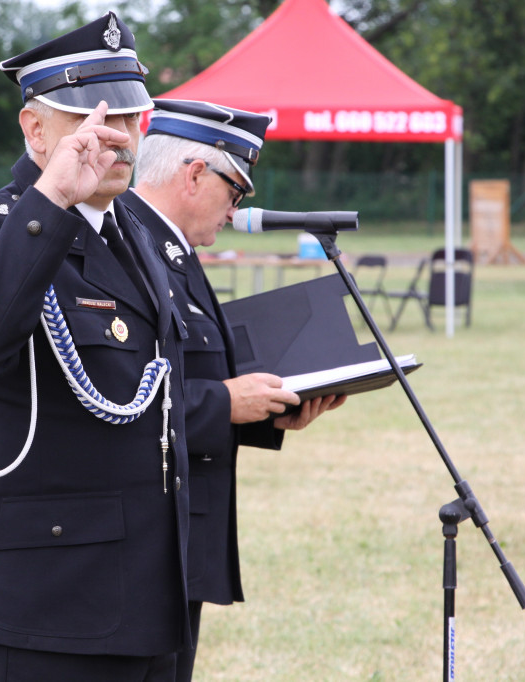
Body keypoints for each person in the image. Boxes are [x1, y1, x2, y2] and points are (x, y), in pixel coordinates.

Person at [0, 14, 195, 682]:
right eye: (89, 122)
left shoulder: (134, 231)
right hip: (44, 602)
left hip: (146, 594)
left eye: (131, 119)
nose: (115, 139)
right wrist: (53, 197)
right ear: (34, 130)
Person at [121, 99, 347, 681]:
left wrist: (266, 415)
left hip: (178, 532)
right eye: (234, 191)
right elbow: (124, 400)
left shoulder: (176, 251)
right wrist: (226, 403)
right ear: (194, 174)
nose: (236, 209)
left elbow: (193, 376)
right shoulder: (125, 248)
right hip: (134, 542)